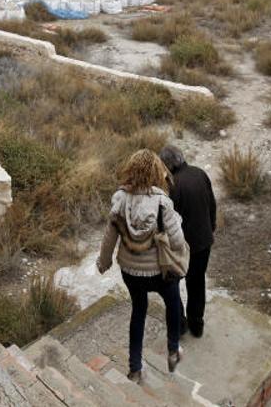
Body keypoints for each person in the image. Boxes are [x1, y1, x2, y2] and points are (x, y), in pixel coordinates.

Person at [97, 149, 187, 381]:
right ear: (157, 172)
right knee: (173, 302)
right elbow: (177, 242)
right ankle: (173, 349)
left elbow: (109, 239)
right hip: (159, 272)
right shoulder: (162, 203)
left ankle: (135, 368)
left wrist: (103, 263)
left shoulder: (120, 200)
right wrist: (176, 222)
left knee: (139, 311)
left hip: (131, 271)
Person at [159, 145, 218, 338]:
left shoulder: (171, 186)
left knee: (171, 286)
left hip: (181, 247)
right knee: (197, 282)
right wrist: (211, 227)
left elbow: (166, 222)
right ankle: (197, 325)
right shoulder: (200, 173)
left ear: (168, 165)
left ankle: (180, 325)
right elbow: (212, 204)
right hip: (203, 242)